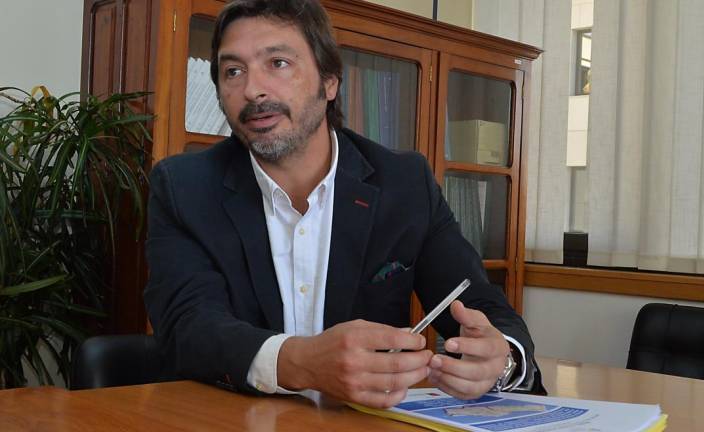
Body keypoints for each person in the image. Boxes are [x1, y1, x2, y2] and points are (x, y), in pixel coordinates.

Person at [144, 0, 543, 409]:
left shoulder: (403, 183)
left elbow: (480, 305)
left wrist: (501, 360)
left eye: (278, 63)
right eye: (233, 71)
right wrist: (300, 362)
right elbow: (188, 326)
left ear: (330, 81)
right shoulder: (185, 187)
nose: (252, 89)